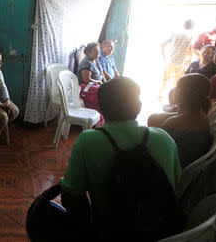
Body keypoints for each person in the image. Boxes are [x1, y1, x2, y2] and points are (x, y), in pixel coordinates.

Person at [60, 77, 182, 239]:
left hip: (109, 231)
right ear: (138, 107)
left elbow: (71, 194)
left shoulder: (87, 141)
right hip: (161, 233)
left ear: (100, 108)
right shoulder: (164, 139)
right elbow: (178, 188)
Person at [149, 74, 212, 169]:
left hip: (171, 169)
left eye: (177, 88)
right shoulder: (203, 118)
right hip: (188, 165)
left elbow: (155, 148)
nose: (174, 90)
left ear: (183, 95)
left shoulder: (173, 123)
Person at [159, 19, 195, 100]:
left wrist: (164, 58)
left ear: (184, 25)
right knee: (176, 82)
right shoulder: (191, 36)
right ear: (192, 27)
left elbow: (162, 45)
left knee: (165, 80)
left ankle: (160, 95)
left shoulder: (175, 33)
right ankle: (172, 99)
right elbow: (190, 50)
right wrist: (190, 60)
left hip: (170, 60)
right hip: (181, 62)